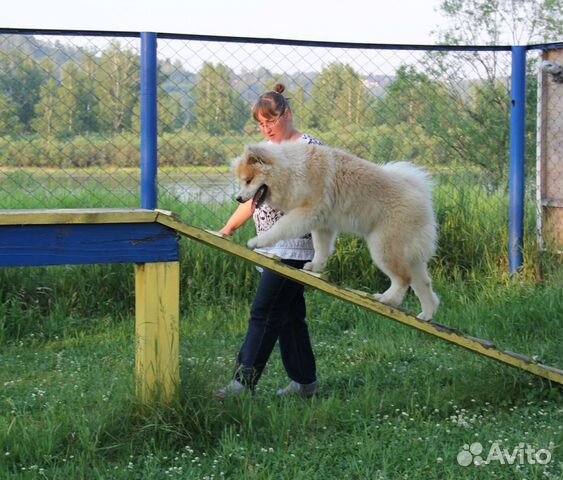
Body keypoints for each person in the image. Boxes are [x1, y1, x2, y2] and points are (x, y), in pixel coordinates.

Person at [217, 83, 321, 399]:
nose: (267, 129)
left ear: (287, 114)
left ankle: (241, 383)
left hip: (295, 245)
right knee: (289, 315)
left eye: (271, 122)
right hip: (270, 245)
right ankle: (305, 383)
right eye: (261, 125)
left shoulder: (309, 149)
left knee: (264, 312)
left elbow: (317, 200)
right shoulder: (264, 153)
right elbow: (251, 198)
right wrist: (228, 228)